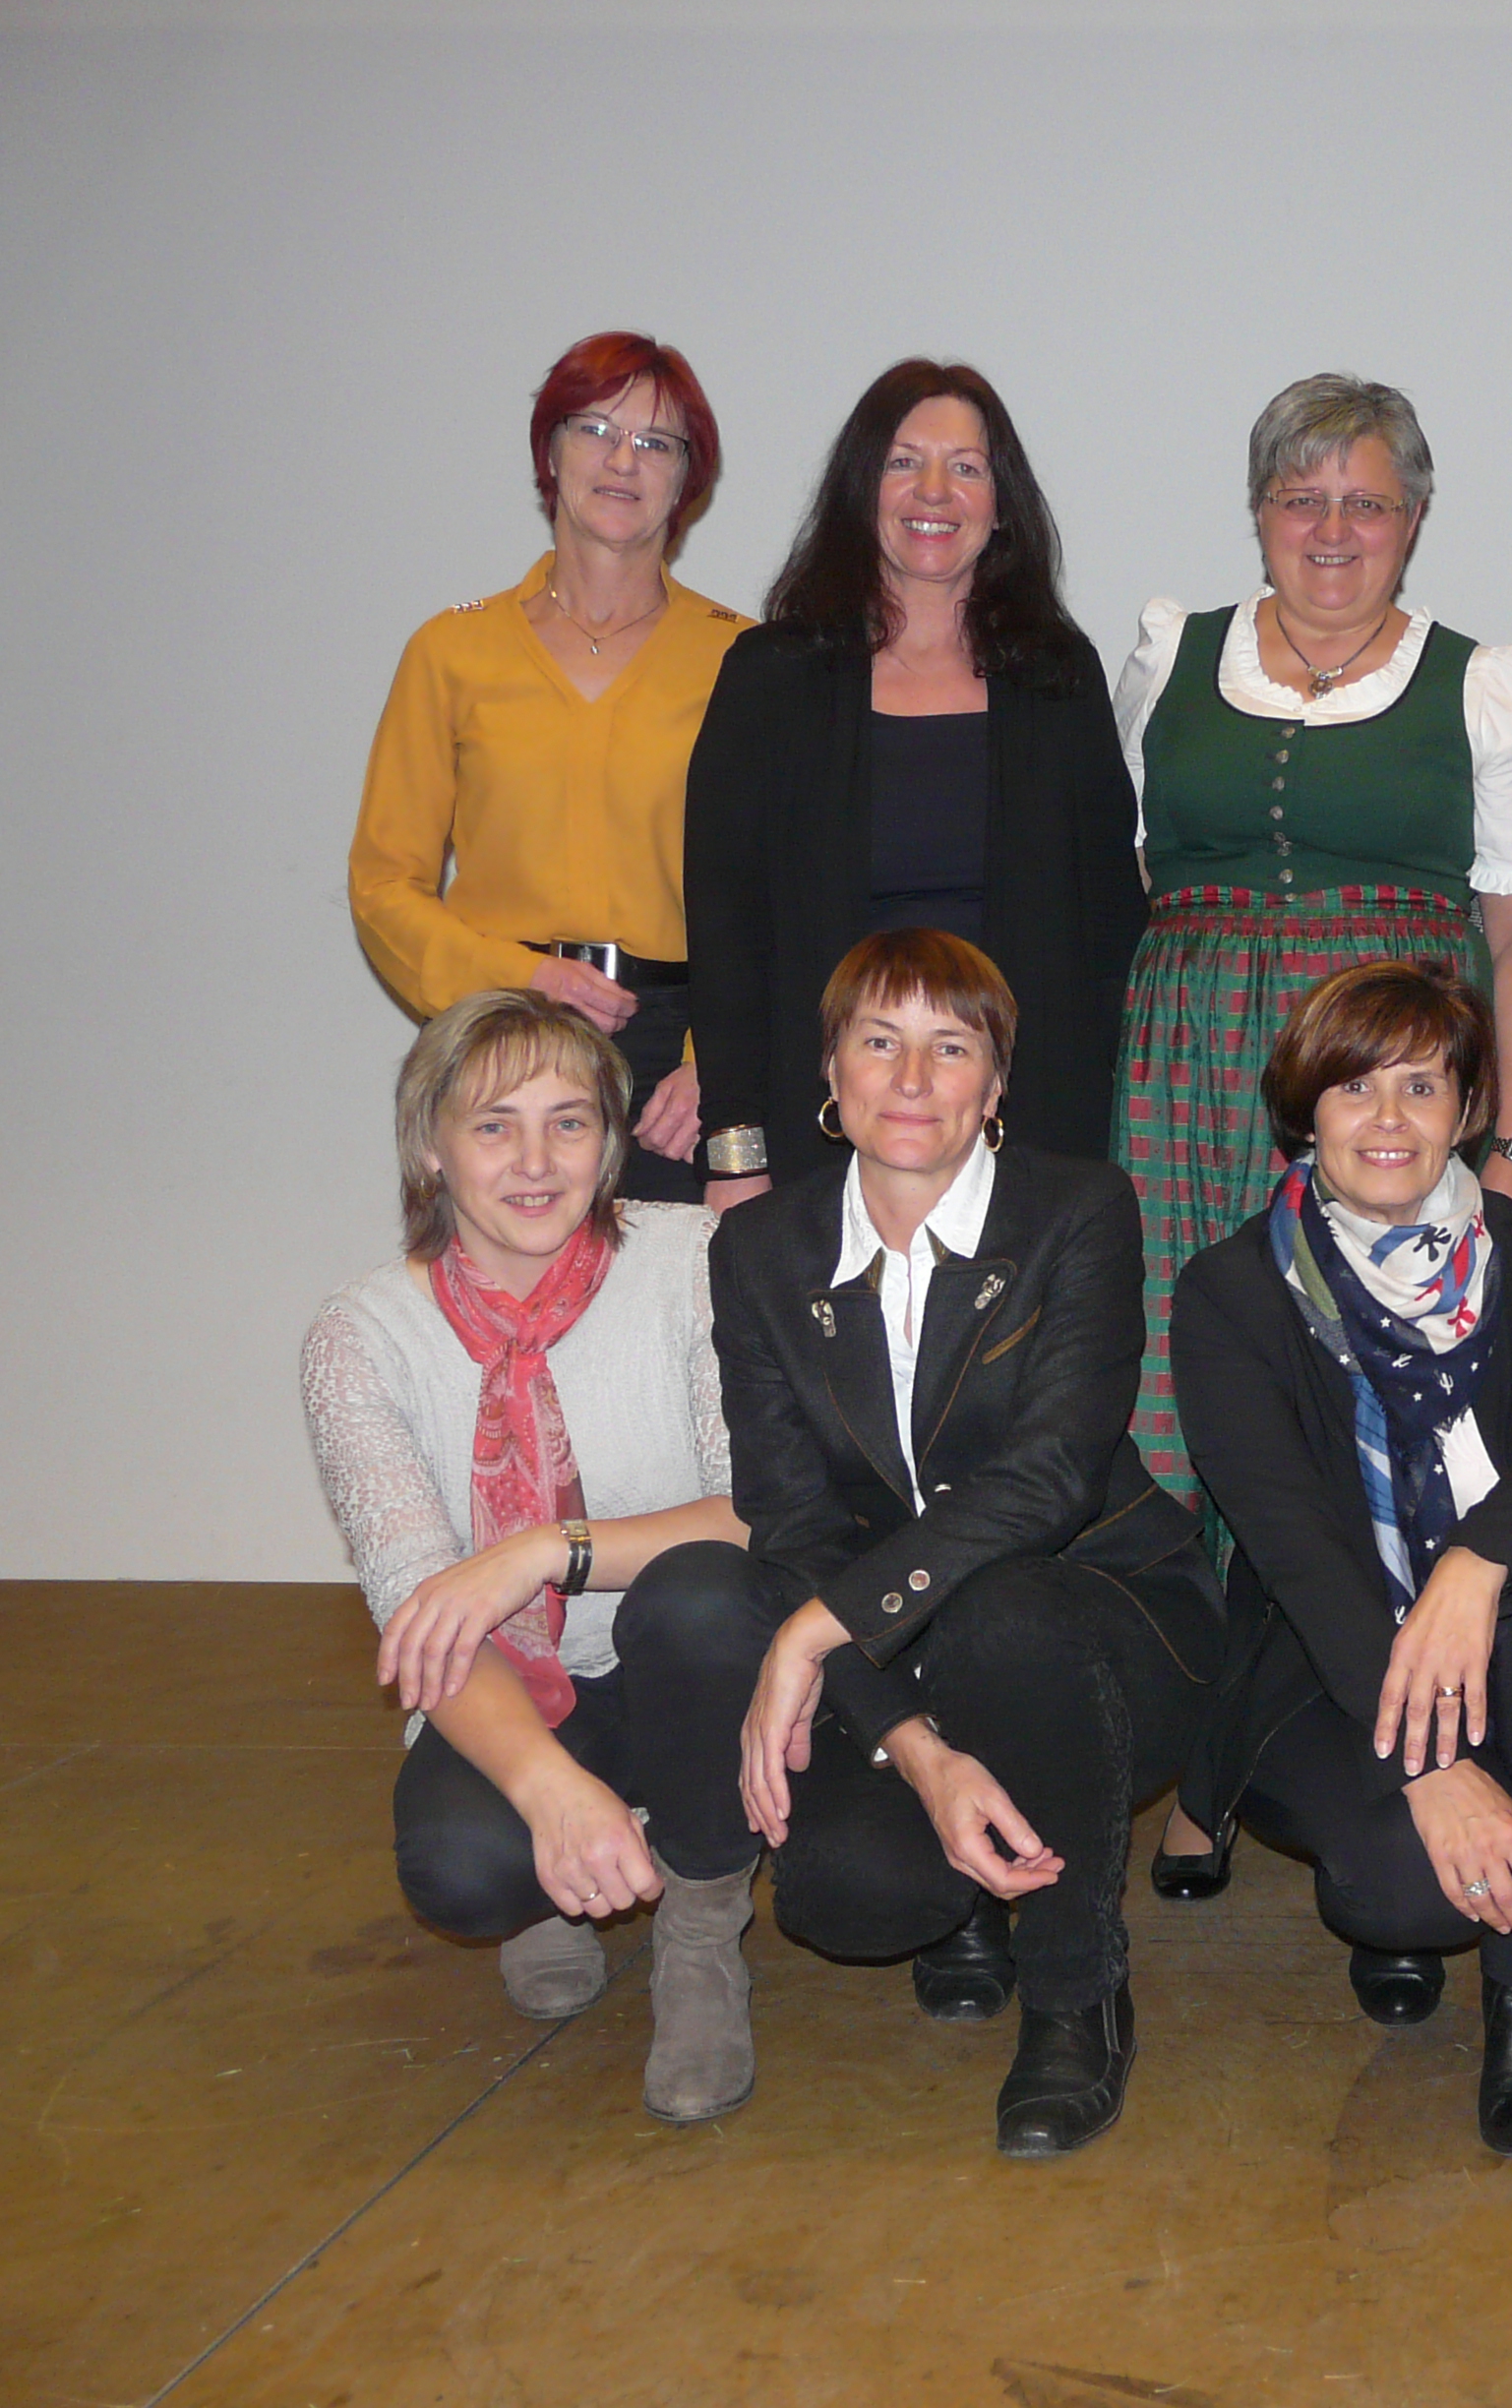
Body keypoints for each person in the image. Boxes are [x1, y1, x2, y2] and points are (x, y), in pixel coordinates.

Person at [655, 931, 1218, 2156]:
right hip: (900, 1657)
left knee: (1003, 1613)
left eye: (950, 1047)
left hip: (1099, 1620)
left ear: (995, 1082)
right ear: (832, 1070)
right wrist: (914, 1748)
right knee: (847, 1898)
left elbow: (1050, 1482)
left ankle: (1075, 1989)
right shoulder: (759, 1251)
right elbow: (793, 1521)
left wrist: (815, 1630)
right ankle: (961, 1888)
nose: (912, 1079)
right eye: (880, 1042)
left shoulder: (1080, 1210)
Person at [1169, 961, 1512, 2155]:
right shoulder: (1230, 1291)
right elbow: (1292, 1548)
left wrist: (1472, 1566)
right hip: (1331, 1662)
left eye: (1422, 1086)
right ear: (1306, 1109)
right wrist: (1432, 1766)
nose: (1388, 1119)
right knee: (1398, 1889)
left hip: (1511, 1631)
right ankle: (1434, 1867)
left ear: (1467, 1109)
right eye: (1354, 1087)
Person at [1110, 371, 1512, 1513]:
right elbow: (1126, 867)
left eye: (1365, 502)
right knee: (1177, 1359)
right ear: (1260, 512)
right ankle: (1174, 1612)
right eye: (1300, 498)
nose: (1331, 528)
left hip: (1388, 1086)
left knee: (1364, 1368)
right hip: (1191, 1075)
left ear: (1412, 519)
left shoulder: (1480, 687)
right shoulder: (1170, 658)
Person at [301, 991, 756, 2121]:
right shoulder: (359, 1338)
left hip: (690, 1666)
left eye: (569, 1122)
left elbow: (761, 1518)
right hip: (513, 1685)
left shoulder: (698, 1262)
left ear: (610, 1141)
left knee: (704, 1596)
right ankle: (564, 1872)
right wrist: (550, 1791)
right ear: (430, 1146)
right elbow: (423, 1613)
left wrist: (548, 1550)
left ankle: (701, 1931)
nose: (537, 1162)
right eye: (494, 1125)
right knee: (462, 1871)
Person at [686, 359, 1144, 1205]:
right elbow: (726, 940)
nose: (934, 491)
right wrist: (735, 1154)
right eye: (904, 462)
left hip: (1031, 1137)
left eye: (966, 467)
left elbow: (1109, 928)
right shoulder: (770, 677)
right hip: (817, 1137)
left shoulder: (1058, 675)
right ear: (862, 488)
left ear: (1000, 505)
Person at [349, 331, 745, 1202]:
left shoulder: (745, 661)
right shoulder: (452, 651)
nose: (623, 461)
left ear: (688, 479)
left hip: (678, 1067)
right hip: (497, 1034)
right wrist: (516, 976)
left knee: (678, 1290)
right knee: (500, 1288)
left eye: (657, 443)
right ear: (549, 450)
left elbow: (779, 899)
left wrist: (718, 1059)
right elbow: (382, 888)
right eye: (595, 429)